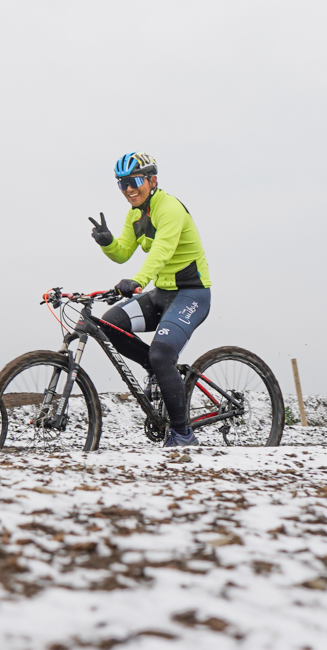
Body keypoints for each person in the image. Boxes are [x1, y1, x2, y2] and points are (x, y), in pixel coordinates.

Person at [87, 152, 211, 447]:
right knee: (110, 325)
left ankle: (183, 433)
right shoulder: (135, 214)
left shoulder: (169, 209)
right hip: (161, 294)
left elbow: (161, 252)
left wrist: (139, 280)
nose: (129, 189)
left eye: (134, 181)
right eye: (122, 184)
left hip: (191, 293)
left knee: (161, 354)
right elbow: (123, 253)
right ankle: (157, 371)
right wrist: (107, 243)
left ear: (152, 180)